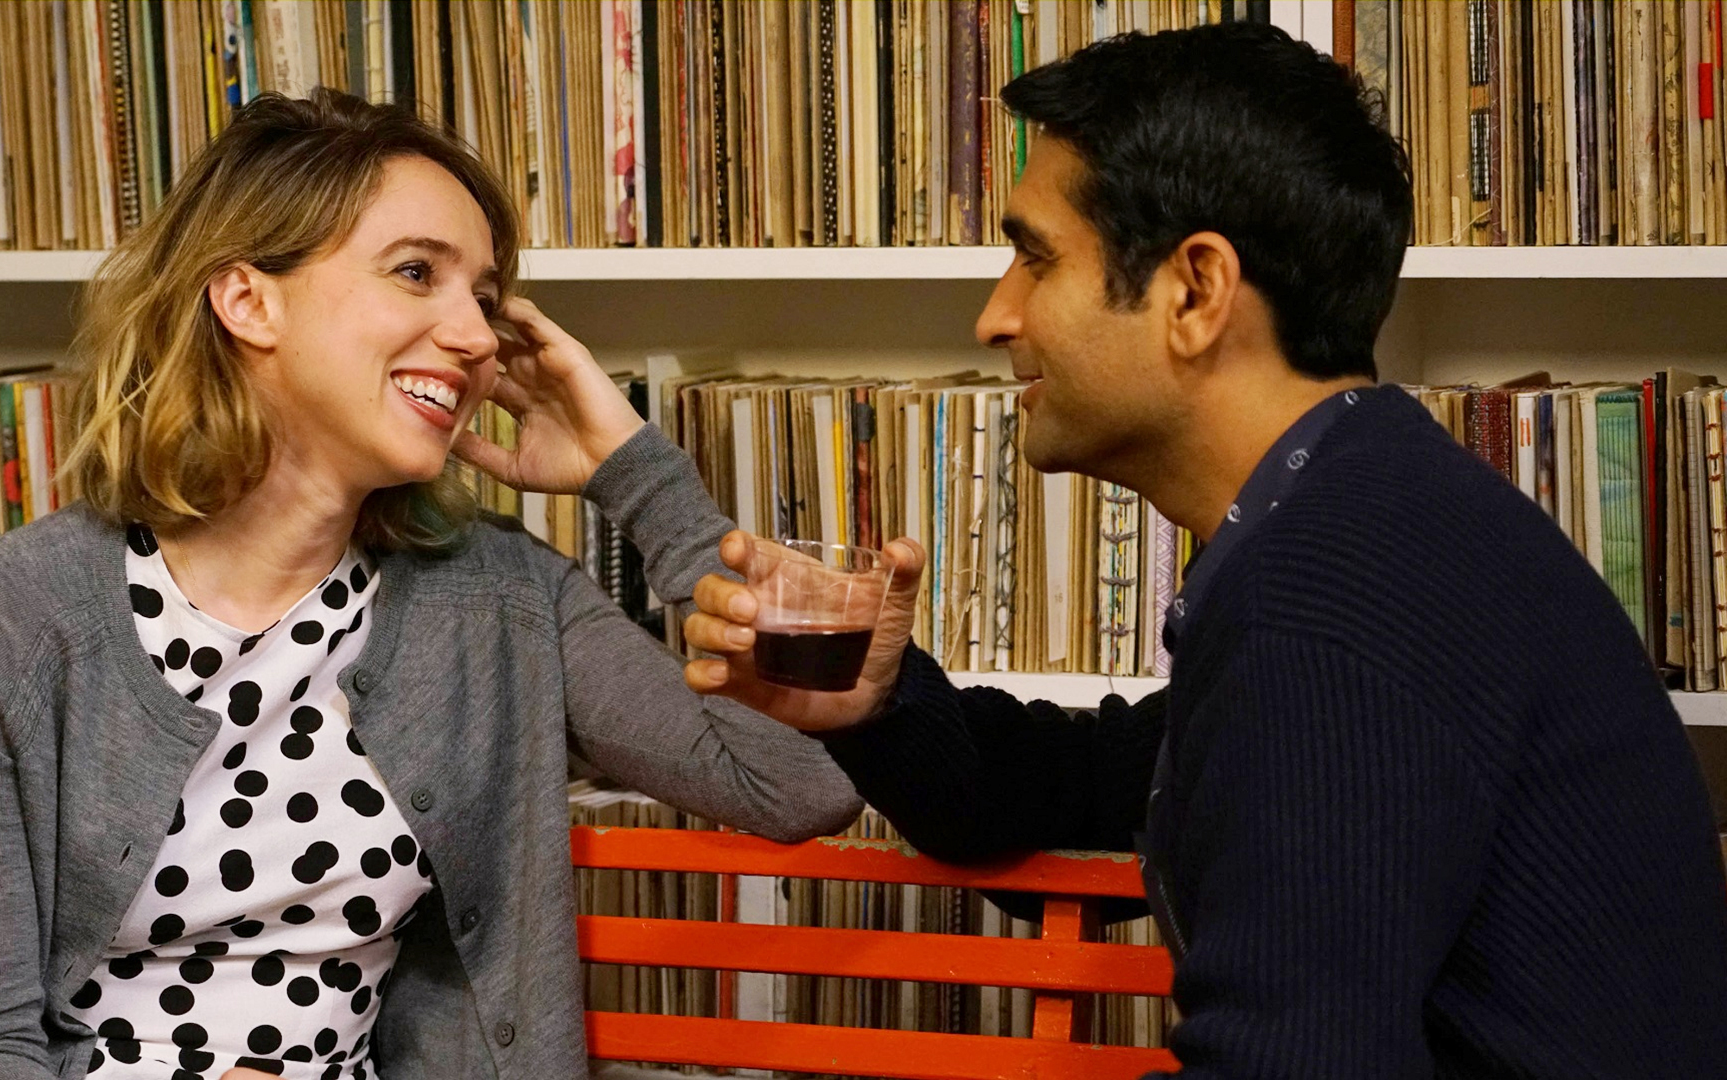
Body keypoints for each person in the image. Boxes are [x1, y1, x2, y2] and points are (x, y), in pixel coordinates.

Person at [682, 22, 1727, 1077]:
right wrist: (878, 700)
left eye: (1036, 258)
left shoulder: (1332, 600)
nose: (995, 315)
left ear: (1195, 291)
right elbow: (1082, 784)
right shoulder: (1365, 513)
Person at [0, 88, 861, 1080]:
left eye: (484, 298)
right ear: (247, 301)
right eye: (415, 273)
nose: (477, 338)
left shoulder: (502, 601)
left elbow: (798, 785)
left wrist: (635, 474)